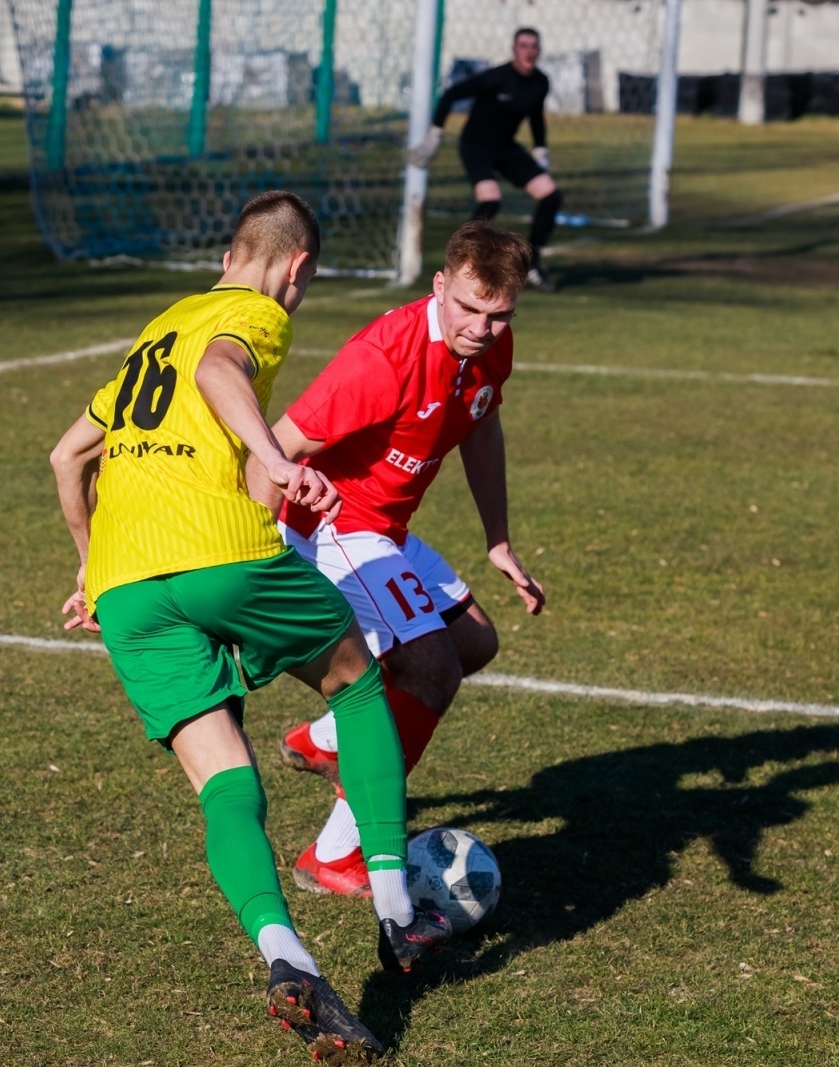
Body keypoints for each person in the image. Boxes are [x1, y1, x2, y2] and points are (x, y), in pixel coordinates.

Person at [48, 190, 449, 1064]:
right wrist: (273, 460)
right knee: (361, 678)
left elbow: (67, 453)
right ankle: (397, 913)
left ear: (229, 250)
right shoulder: (252, 314)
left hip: (126, 587)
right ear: (296, 267)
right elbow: (219, 373)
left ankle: (286, 955)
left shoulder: (164, 323)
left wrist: (90, 563)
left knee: (223, 779)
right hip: (220, 551)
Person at [258, 221, 547, 897]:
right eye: (469, 308)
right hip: (326, 524)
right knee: (431, 668)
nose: (482, 326)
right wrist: (255, 553)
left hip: (382, 526)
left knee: (473, 640)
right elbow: (274, 448)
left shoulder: (489, 350)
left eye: (500, 315)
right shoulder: (383, 359)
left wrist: (497, 538)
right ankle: (336, 852)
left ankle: (328, 738)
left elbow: (479, 423)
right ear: (440, 285)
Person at [408, 27, 563, 292]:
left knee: (550, 195)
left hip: (506, 148)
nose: (529, 51)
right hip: (476, 145)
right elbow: (450, 95)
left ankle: (533, 262)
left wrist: (540, 151)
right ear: (514, 50)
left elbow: (536, 116)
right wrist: (435, 135)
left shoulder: (540, 82)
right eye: (523, 45)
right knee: (490, 200)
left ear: (539, 51)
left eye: (534, 46)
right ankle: (461, 263)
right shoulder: (496, 78)